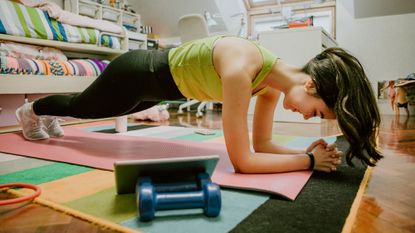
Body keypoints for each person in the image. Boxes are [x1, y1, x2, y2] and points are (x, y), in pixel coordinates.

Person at [15, 35, 383, 173]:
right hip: (137, 72)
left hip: (159, 88)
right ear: (311, 84)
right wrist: (306, 162)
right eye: (316, 111)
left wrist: (311, 153)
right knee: (83, 107)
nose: (306, 115)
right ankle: (30, 111)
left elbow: (261, 147)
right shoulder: (243, 69)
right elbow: (242, 162)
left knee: (99, 108)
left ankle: (41, 114)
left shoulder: (270, 84)